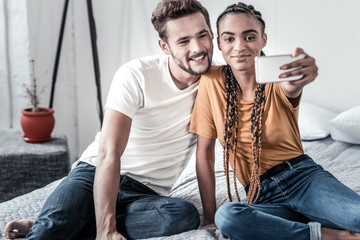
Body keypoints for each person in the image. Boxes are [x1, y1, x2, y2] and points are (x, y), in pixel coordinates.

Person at [3, 0, 214, 239]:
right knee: (44, 236)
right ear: (164, 47)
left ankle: (68, 224)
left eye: (202, 35)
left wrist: (210, 219)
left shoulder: (216, 85)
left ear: (211, 34)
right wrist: (106, 231)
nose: (197, 48)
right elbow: (108, 152)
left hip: (146, 193)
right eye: (184, 41)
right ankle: (62, 224)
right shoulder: (136, 74)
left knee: (183, 216)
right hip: (95, 173)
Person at [189, 2, 360, 240]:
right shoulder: (211, 81)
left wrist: (300, 75)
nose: (239, 47)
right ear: (219, 43)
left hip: (302, 179)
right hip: (261, 195)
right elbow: (204, 152)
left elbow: (291, 86)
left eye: (249, 37)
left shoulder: (277, 76)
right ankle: (329, 235)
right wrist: (208, 217)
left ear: (263, 40)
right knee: (228, 217)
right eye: (229, 39)